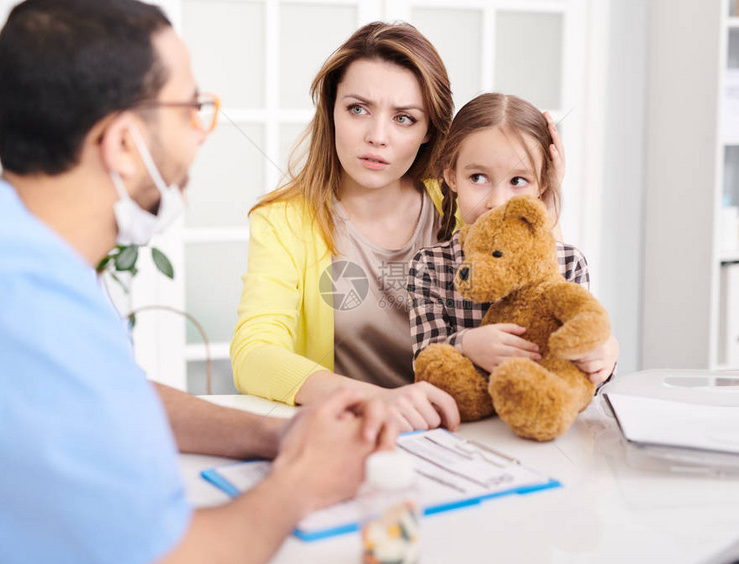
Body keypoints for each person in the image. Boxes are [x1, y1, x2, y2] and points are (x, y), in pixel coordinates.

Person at [0, 2, 396, 564]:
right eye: (192, 108)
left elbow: (115, 395)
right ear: (122, 144)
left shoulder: (2, 233)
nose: (201, 134)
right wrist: (301, 483)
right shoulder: (27, 311)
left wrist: (276, 435)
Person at [230, 23, 566, 432]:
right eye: (358, 109)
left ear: (429, 132)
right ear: (331, 110)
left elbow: (544, 309)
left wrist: (541, 215)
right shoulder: (284, 221)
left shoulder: (465, 206)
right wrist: (381, 400)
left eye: (404, 118)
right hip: (351, 431)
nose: (377, 137)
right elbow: (254, 353)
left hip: (469, 431)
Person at [408, 93, 619, 386]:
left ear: (541, 185)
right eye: (478, 178)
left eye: (518, 181)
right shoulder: (429, 265)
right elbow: (425, 362)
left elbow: (579, 372)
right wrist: (466, 344)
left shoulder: (569, 263)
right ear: (452, 176)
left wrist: (604, 354)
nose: (497, 202)